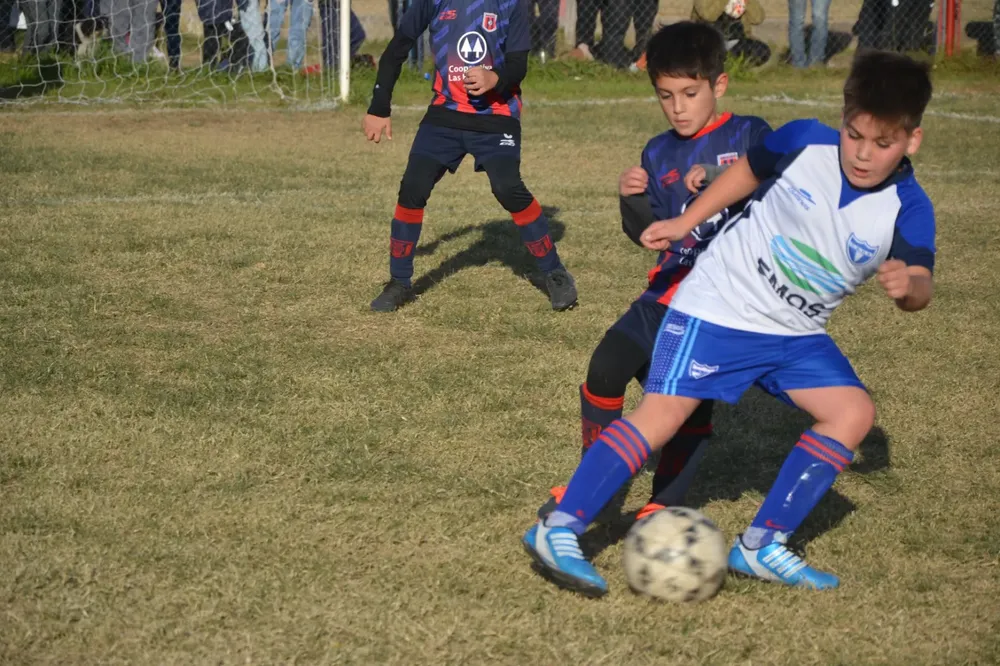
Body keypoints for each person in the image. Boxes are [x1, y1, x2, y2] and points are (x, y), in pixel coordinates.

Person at [522, 50, 935, 597]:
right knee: (663, 416)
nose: (861, 154)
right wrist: (683, 220)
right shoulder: (805, 141)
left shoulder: (908, 206)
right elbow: (745, 172)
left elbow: (922, 280)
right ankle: (560, 526)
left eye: (881, 145)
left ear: (911, 141)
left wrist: (911, 289)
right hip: (717, 306)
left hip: (795, 333)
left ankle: (761, 544)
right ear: (843, 118)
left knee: (852, 412)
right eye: (854, 135)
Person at [535, 21, 772, 526]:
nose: (678, 106)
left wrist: (715, 178)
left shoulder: (749, 134)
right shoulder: (658, 151)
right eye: (666, 95)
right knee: (605, 367)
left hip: (718, 308)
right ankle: (590, 485)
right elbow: (650, 233)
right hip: (663, 293)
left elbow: (770, 184)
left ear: (719, 85)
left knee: (686, 408)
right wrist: (633, 199)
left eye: (690, 93)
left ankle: (665, 502)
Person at [363, 0, 577, 313]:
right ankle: (398, 282)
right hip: (445, 115)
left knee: (507, 188)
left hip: (496, 115)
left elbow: (519, 63)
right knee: (413, 186)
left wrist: (495, 79)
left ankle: (555, 272)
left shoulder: (512, 4)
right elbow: (399, 46)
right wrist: (378, 107)